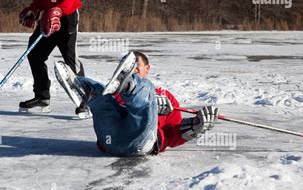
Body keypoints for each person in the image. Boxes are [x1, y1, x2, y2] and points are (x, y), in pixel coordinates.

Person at [54, 51, 219, 156]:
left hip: (141, 142)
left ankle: (132, 91)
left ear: (147, 68)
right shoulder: (113, 93)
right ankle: (85, 91)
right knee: (102, 95)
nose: (133, 72)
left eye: (136, 69)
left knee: (146, 90)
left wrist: (193, 128)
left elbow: (171, 135)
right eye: (129, 71)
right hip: (110, 141)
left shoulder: (165, 96)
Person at [19, 0, 89, 118]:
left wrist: (58, 11)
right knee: (34, 53)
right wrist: (34, 9)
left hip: (66, 16)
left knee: (70, 60)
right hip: (47, 17)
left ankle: (86, 100)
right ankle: (42, 98)